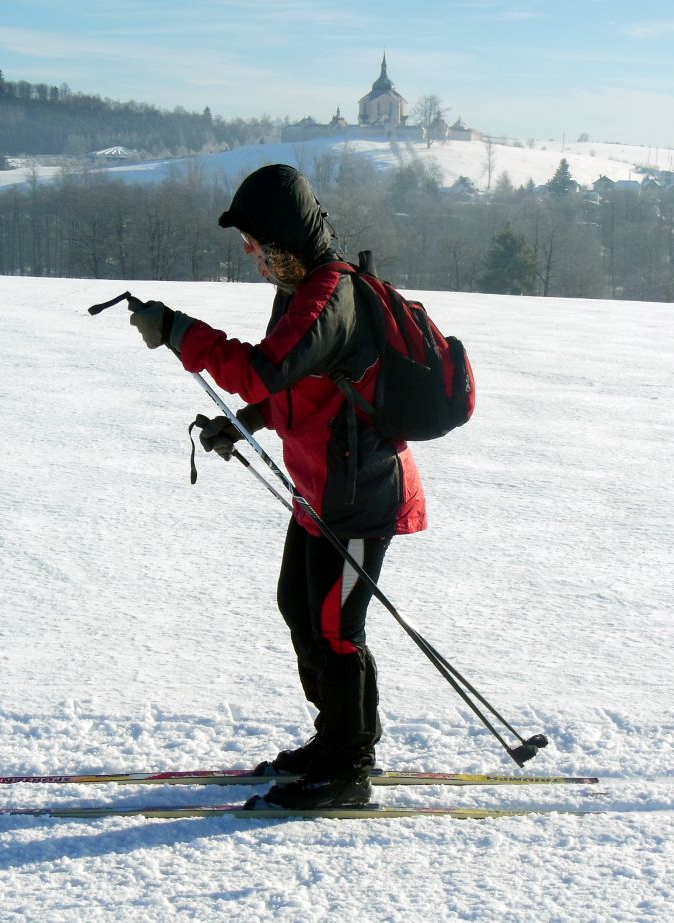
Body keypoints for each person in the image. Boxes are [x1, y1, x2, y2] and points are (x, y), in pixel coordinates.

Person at [127, 164, 426, 809]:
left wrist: (179, 330)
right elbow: (296, 385)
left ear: (285, 238)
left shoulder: (328, 296)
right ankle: (332, 739)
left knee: (336, 626)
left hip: (363, 499)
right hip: (321, 492)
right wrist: (245, 425)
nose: (249, 253)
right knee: (300, 605)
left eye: (255, 241)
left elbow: (265, 369)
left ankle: (350, 767)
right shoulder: (299, 292)